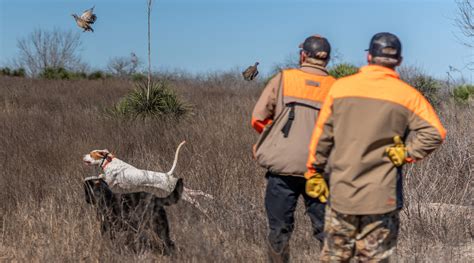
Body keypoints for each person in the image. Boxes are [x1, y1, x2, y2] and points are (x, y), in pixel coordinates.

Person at [305, 32, 447, 262]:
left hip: (342, 193)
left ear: (369, 56)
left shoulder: (341, 88)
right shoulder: (407, 95)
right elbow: (435, 132)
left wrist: (314, 172)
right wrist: (406, 153)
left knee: (334, 258)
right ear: (399, 60)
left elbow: (321, 137)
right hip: (382, 198)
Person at [251, 35, 336, 262]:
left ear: (303, 55)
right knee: (327, 231)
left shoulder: (284, 79)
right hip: (319, 172)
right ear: (327, 60)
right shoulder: (336, 87)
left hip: (282, 170)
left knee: (279, 230)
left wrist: (277, 140)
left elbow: (258, 118)